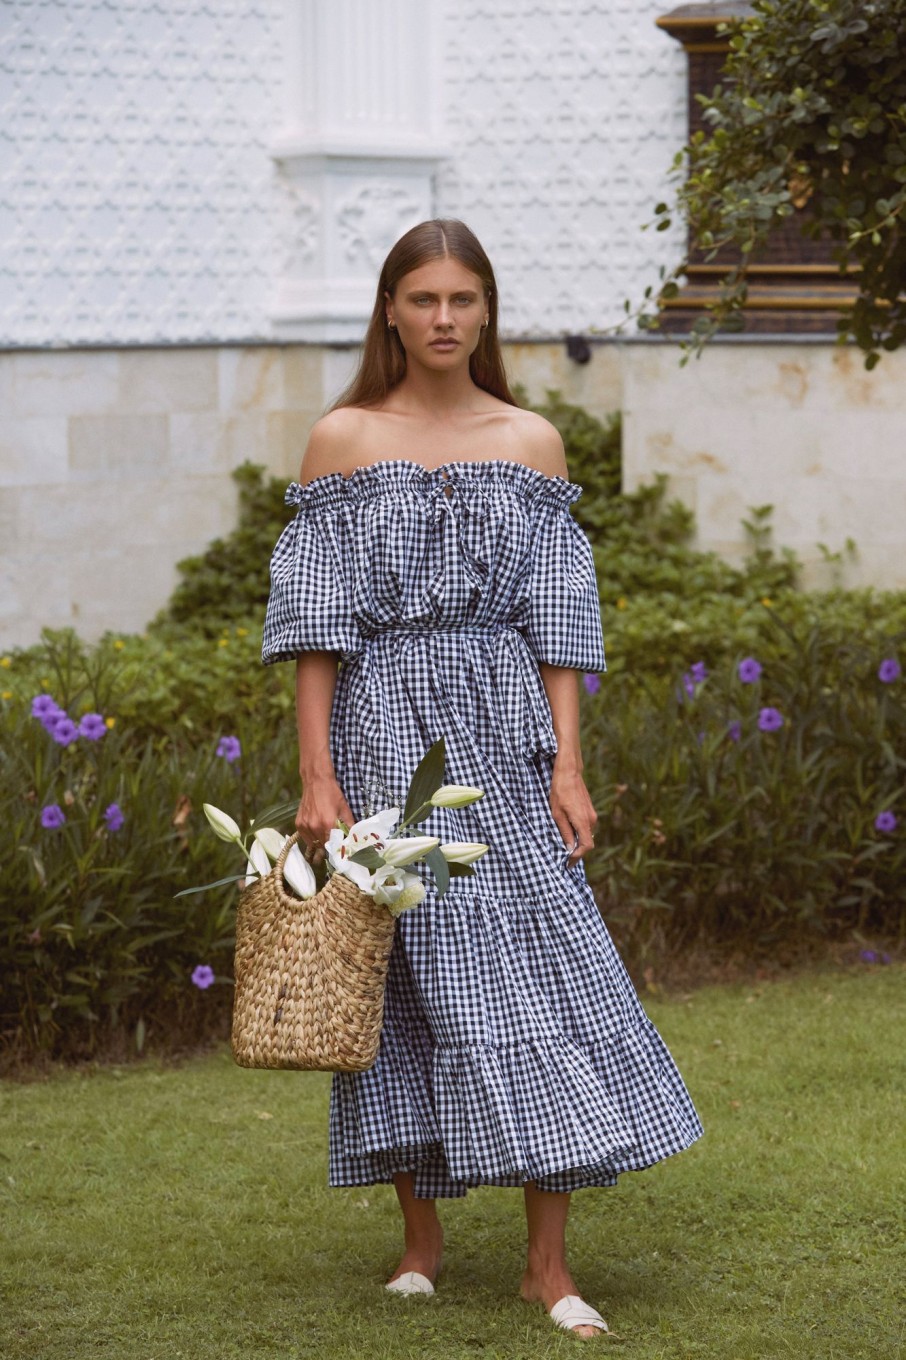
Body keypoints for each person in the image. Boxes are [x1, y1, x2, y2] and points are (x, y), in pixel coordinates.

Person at [262, 218, 703, 1340]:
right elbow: (316, 629)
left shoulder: (532, 441)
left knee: (541, 966)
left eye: (464, 299)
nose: (445, 318)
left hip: (503, 730)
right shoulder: (342, 439)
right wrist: (316, 775)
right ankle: (421, 1242)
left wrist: (571, 761)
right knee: (404, 975)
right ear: (391, 312)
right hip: (382, 731)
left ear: (489, 310)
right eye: (424, 300)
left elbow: (559, 621)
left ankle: (546, 1266)